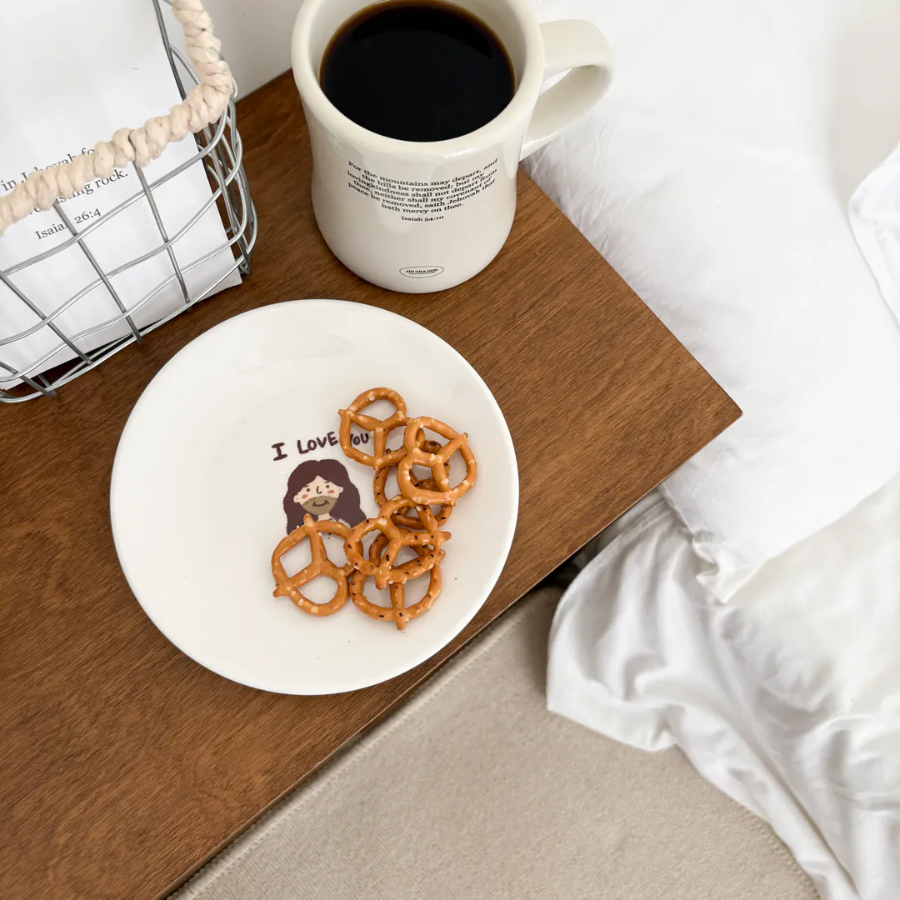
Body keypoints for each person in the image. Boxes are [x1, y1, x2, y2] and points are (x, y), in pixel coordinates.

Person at [283, 458, 366, 533]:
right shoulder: (299, 532)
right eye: (308, 490)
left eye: (327, 486)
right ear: (296, 498)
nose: (319, 493)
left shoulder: (347, 524)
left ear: (340, 489)